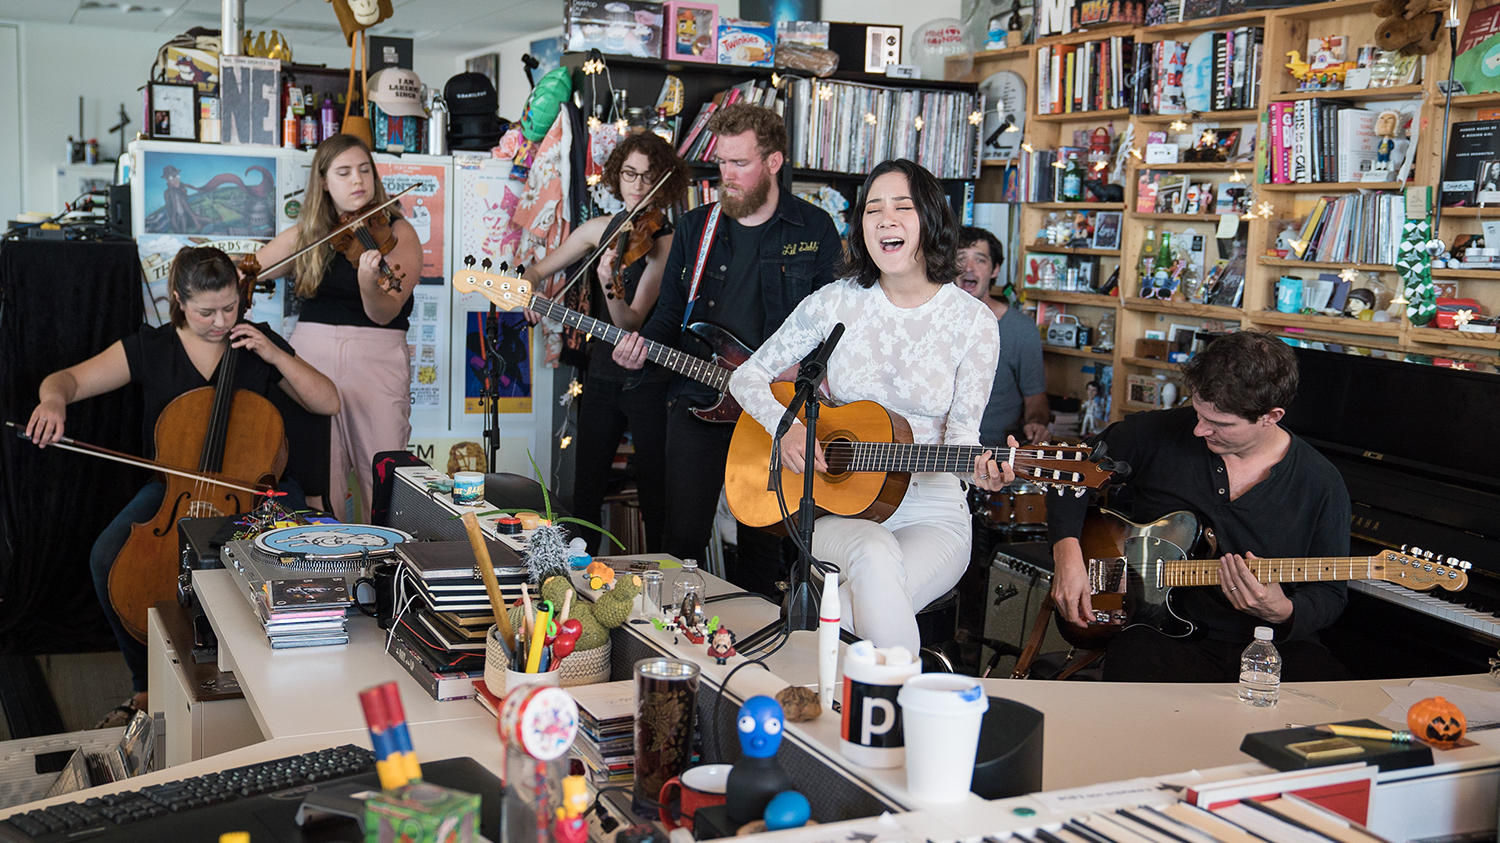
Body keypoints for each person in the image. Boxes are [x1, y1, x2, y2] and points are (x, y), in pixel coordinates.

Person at [24, 246, 339, 723]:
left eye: (230, 307)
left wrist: (274, 353)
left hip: (257, 487)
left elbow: (328, 401)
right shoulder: (151, 348)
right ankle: (145, 683)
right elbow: (65, 380)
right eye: (206, 311)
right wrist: (53, 403)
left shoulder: (255, 342)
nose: (220, 321)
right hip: (177, 488)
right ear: (178, 299)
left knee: (299, 560)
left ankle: (291, 679)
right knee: (108, 556)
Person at [727, 159, 1013, 653]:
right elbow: (746, 376)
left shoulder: (973, 322)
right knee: (874, 555)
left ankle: (850, 702)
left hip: (934, 511)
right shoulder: (836, 302)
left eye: (902, 207)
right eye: (872, 209)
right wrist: (788, 426)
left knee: (860, 601)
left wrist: (981, 471)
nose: (885, 219)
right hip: (838, 511)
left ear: (930, 220)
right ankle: (898, 717)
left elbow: (963, 440)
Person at [611, 104, 842, 593]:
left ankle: (754, 652)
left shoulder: (814, 229)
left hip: (775, 408)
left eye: (740, 164)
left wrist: (801, 373)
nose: (726, 176)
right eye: (721, 163)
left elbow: (834, 323)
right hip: (698, 400)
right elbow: (672, 315)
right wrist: (638, 347)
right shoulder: (697, 227)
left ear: (774, 162)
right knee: (681, 540)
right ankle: (676, 645)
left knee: (763, 540)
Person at [1047, 331, 1351, 682]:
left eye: (1219, 424)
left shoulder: (1321, 483)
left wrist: (1284, 610)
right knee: (1135, 665)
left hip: (1266, 646)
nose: (1199, 430)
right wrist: (1067, 556)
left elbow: (1330, 593)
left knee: (1330, 691)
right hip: (1159, 640)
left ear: (1271, 415)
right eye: (1197, 412)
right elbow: (1068, 472)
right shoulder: (1156, 433)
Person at [522, 132, 688, 552]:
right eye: (629, 173)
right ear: (617, 176)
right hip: (600, 376)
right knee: (585, 490)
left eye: (648, 176)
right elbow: (540, 269)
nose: (637, 184)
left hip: (650, 380)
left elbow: (631, 320)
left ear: (662, 183)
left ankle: (659, 579)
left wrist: (608, 284)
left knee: (656, 493)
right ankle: (580, 577)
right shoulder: (600, 229)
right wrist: (527, 286)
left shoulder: (664, 243)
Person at [253, 134, 421, 522]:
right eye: (344, 172)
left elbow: (384, 311)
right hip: (311, 357)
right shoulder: (311, 234)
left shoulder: (398, 231)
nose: (357, 180)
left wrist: (367, 283)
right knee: (318, 480)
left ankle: (383, 575)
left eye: (364, 170)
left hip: (375, 360)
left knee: (382, 480)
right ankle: (328, 575)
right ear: (324, 182)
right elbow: (253, 267)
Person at [956, 225, 1049, 446]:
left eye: (980, 260)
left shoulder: (1020, 329)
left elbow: (1036, 398)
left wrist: (1036, 423)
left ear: (995, 269)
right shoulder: (931, 321)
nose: (969, 268)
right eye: (960, 258)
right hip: (937, 453)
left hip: (995, 453)